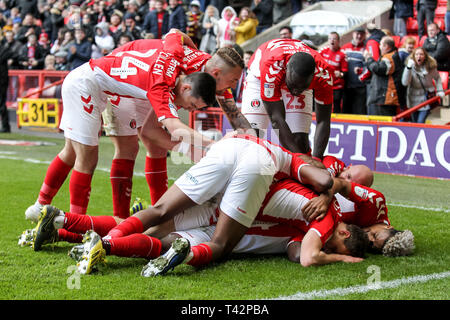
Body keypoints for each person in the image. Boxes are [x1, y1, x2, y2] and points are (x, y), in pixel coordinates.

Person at [24, 32, 217, 223]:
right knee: (87, 156)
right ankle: (75, 224)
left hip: (110, 83)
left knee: (76, 152)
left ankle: (41, 206)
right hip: (88, 83)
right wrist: (212, 145)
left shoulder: (175, 62)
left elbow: (175, 33)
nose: (187, 109)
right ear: (186, 88)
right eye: (191, 105)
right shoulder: (161, 87)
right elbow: (171, 128)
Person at [241, 38, 333, 160]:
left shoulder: (324, 75)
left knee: (299, 140)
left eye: (302, 88)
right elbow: (276, 119)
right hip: (260, 78)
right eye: (294, 86)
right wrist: (301, 160)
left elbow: (324, 120)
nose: (296, 91)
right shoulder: (272, 67)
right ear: (286, 69)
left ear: (313, 76)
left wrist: (316, 160)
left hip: (291, 76)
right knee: (252, 137)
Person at [402, 47, 445, 123]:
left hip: (426, 96)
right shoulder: (410, 66)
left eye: (421, 54)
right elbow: (405, 82)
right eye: (417, 54)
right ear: (413, 56)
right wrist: (408, 68)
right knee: (414, 122)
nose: (419, 56)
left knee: (420, 122)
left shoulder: (431, 66)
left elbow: (437, 78)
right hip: (413, 97)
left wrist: (440, 90)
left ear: (425, 56)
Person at [365, 36, 406, 116]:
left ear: (386, 46)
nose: (379, 47)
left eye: (380, 44)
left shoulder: (390, 58)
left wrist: (369, 58)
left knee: (384, 123)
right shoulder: (389, 56)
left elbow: (378, 68)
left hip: (386, 99)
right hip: (383, 98)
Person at [341, 27, 369, 115]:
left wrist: (361, 70)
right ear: (353, 34)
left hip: (361, 87)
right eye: (357, 33)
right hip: (346, 87)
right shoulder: (345, 48)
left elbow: (370, 66)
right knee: (346, 112)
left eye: (361, 34)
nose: (359, 36)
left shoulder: (367, 48)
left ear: (364, 35)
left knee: (359, 112)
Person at [319, 32, 348, 113]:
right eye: (330, 38)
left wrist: (340, 74)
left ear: (338, 41)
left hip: (336, 87)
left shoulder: (342, 54)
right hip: (324, 84)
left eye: (334, 39)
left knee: (336, 106)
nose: (332, 41)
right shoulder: (323, 51)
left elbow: (345, 72)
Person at [0, 37, 12, 133]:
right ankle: (5, 126)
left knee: (1, 103)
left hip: (2, 80)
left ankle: (5, 126)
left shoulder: (4, 49)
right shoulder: (4, 49)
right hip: (2, 79)